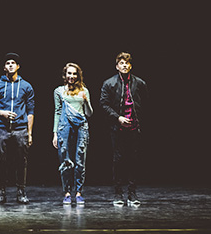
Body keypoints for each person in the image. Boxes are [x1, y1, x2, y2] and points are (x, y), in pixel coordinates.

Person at [100, 52, 149, 206]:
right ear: (117, 66)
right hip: (117, 128)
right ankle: (118, 193)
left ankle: (132, 193)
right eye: (122, 63)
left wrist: (137, 119)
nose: (125, 65)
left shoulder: (139, 83)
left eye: (127, 63)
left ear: (131, 66)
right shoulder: (109, 83)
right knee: (118, 160)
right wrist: (118, 118)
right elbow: (104, 104)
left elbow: (145, 102)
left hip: (134, 128)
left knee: (133, 160)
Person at [0, 52, 35, 204]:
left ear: (18, 66)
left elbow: (31, 111)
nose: (10, 65)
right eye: (8, 63)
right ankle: (1, 192)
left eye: (13, 63)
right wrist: (2, 113)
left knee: (22, 161)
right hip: (2, 129)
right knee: (1, 161)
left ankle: (21, 191)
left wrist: (30, 133)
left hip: (21, 129)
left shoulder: (26, 86)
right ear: (4, 68)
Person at [53, 63, 93, 205]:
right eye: (69, 73)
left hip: (81, 126)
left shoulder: (84, 90)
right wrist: (55, 134)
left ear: (78, 75)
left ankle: (79, 192)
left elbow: (89, 113)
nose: (71, 76)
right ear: (65, 75)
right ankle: (67, 192)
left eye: (74, 73)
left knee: (80, 159)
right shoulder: (59, 91)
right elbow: (57, 112)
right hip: (64, 127)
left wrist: (86, 101)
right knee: (65, 159)